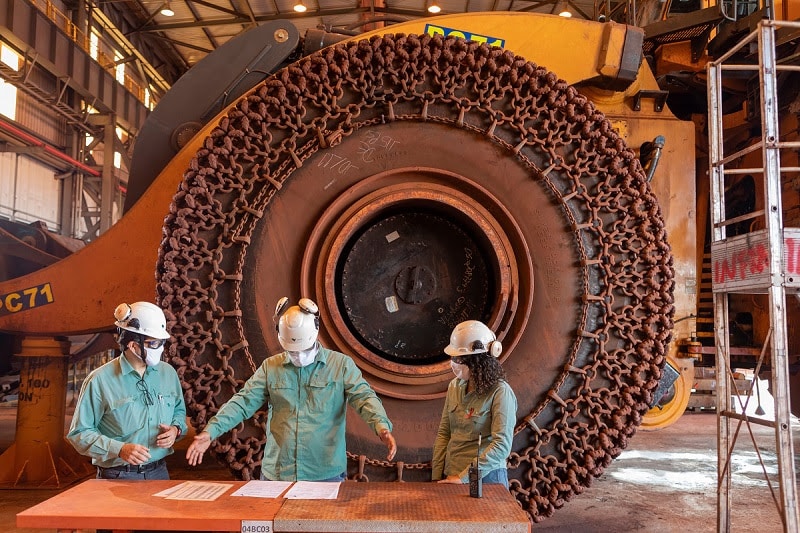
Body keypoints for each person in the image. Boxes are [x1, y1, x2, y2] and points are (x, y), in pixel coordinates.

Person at [186, 296, 396, 481]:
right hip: (277, 473)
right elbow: (243, 402)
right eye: (292, 351)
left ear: (315, 335)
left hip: (324, 474)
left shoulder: (340, 366)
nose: (298, 356)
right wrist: (210, 432)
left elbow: (364, 397)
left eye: (303, 350)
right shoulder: (271, 367)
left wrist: (381, 426)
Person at [67, 301, 187, 480]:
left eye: (162, 343)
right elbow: (79, 434)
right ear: (132, 345)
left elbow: (178, 410)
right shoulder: (100, 380)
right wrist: (119, 449)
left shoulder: (167, 373)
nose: (160, 349)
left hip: (160, 473)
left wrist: (176, 429)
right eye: (153, 343)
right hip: (119, 476)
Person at [432, 320, 517, 487]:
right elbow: (444, 433)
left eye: (459, 359)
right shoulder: (454, 386)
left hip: (487, 478)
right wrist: (436, 474)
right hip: (452, 475)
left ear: (479, 361)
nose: (454, 363)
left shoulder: (500, 392)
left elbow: (501, 445)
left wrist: (465, 477)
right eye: (453, 358)